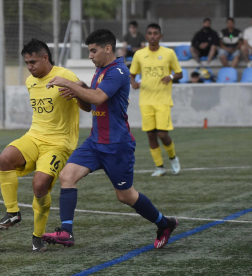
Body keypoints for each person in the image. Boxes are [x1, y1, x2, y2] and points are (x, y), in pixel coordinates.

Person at [41, 29, 178, 250]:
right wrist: (77, 94)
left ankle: (165, 223)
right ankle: (66, 232)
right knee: (67, 176)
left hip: (117, 145)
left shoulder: (119, 72)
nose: (90, 56)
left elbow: (98, 97)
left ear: (108, 48)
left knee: (125, 196)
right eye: (89, 51)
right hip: (95, 142)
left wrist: (70, 84)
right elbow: (91, 105)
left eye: (93, 51)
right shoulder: (101, 71)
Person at [0, 38, 90, 253]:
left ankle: (37, 238)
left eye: (33, 62)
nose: (29, 67)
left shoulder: (65, 76)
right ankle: (13, 213)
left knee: (39, 186)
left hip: (59, 144)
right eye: (27, 63)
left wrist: (76, 90)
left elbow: (88, 106)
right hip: (34, 137)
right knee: (5, 159)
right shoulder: (30, 82)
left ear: (45, 58)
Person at [130, 23, 182, 177]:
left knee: (162, 134)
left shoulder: (169, 53)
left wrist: (171, 76)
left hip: (163, 100)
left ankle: (173, 158)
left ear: (160, 36)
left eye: (155, 33)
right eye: (150, 33)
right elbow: (132, 74)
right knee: (151, 135)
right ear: (146, 36)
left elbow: (179, 73)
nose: (152, 36)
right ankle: (159, 167)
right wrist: (133, 83)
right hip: (145, 101)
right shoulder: (139, 55)